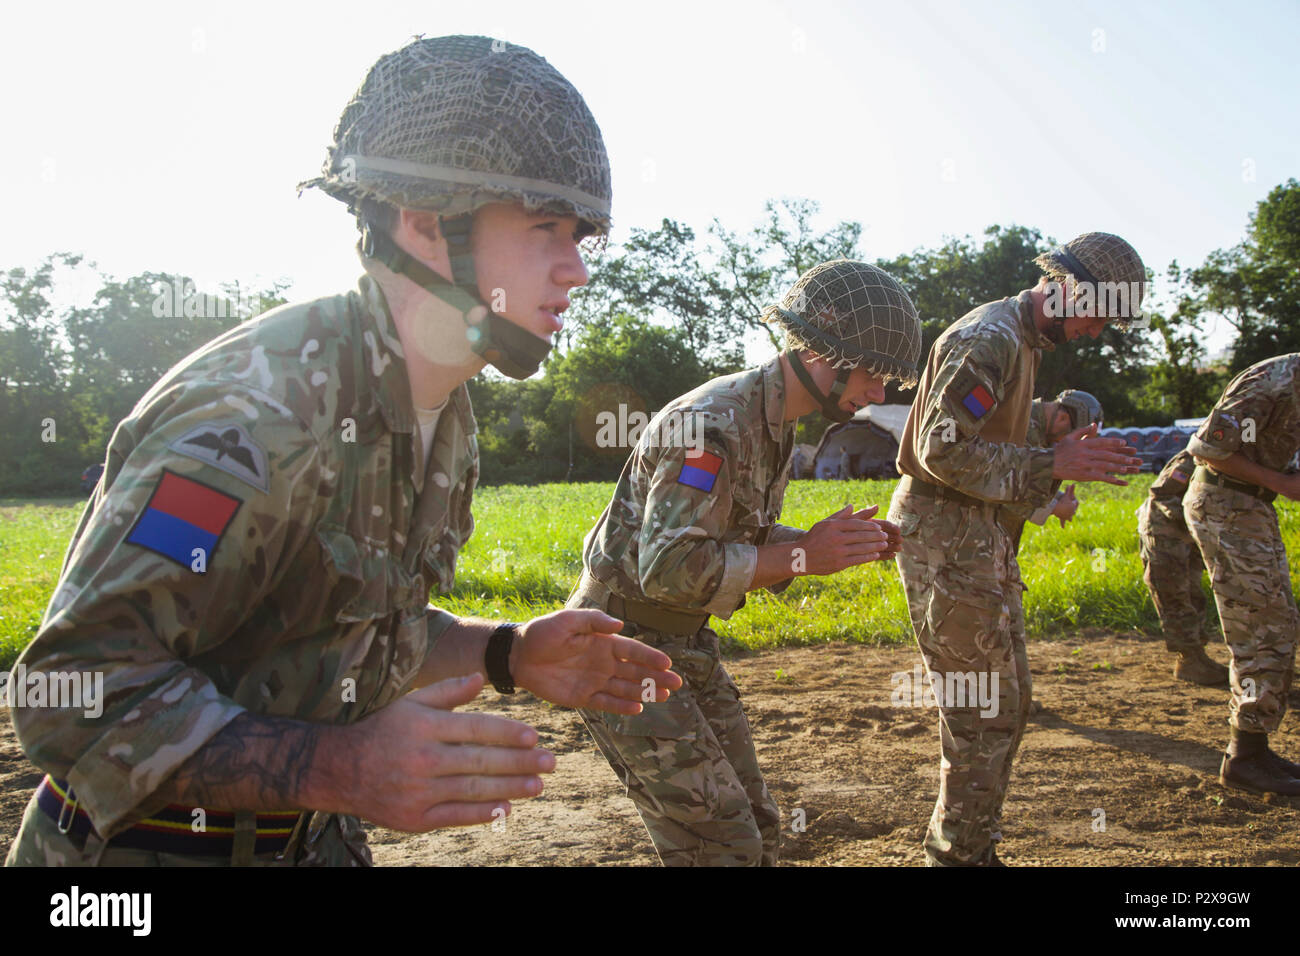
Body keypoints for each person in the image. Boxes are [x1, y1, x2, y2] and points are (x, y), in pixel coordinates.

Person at [5, 35, 682, 868]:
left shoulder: (442, 411)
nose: (576, 270)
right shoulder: (255, 412)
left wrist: (507, 651)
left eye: (581, 236)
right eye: (546, 228)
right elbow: (70, 697)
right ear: (426, 220)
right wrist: (342, 767)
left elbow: (353, 626)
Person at [568, 259, 922, 865]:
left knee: (757, 826)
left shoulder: (774, 421)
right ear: (826, 357)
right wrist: (806, 556)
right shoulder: (713, 425)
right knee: (722, 845)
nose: (879, 394)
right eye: (872, 374)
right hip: (619, 647)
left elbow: (737, 534)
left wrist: (817, 542)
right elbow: (670, 566)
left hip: (682, 642)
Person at [888, 232, 1145, 866]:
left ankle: (969, 847)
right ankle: (957, 858)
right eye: (1098, 316)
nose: (1095, 334)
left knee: (1009, 700)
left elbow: (983, 432)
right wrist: (1051, 461)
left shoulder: (1021, 341)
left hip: (978, 535)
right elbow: (938, 450)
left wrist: (1047, 442)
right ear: (1068, 289)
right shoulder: (990, 339)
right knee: (984, 707)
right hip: (947, 535)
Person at [1183, 354, 1300, 795]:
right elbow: (1207, 449)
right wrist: (1284, 483)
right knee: (1262, 626)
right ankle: (1245, 759)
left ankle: (1254, 748)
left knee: (1278, 623)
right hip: (1225, 505)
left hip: (1251, 506)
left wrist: (1282, 479)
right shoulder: (1272, 380)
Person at [1137, 450, 1228, 686]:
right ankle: (1188, 660)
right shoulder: (1196, 457)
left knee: (1193, 593)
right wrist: (1194, 517)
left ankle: (1196, 656)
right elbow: (1161, 494)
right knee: (1174, 594)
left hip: (1189, 534)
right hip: (1164, 532)